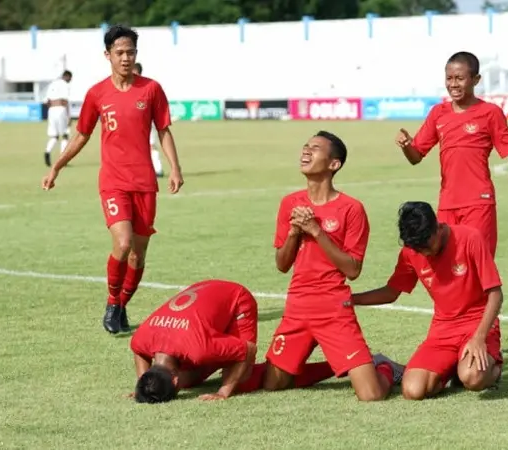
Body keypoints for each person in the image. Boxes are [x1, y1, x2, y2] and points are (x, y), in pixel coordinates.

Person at [41, 25, 185, 335]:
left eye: (130, 52)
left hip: (145, 183)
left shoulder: (151, 89)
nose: (125, 58)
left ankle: (121, 304)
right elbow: (81, 135)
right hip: (113, 182)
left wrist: (175, 168)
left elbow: (163, 130)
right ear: (107, 55)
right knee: (122, 244)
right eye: (119, 52)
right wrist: (58, 167)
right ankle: (111, 302)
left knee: (138, 254)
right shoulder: (97, 94)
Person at [264, 130, 404, 401]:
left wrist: (316, 231)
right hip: (298, 306)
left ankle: (384, 367)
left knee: (372, 395)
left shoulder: (351, 209)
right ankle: (344, 366)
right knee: (273, 384)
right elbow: (282, 265)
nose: (306, 151)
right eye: (305, 146)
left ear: (333, 164)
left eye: (315, 148)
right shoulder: (290, 203)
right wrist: (295, 232)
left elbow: (352, 269)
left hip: (333, 308)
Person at [352, 202, 504, 401]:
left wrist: (479, 338)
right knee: (413, 390)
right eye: (418, 249)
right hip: (443, 331)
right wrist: (351, 299)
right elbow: (391, 292)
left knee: (473, 378)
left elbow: (496, 293)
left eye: (427, 245)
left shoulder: (470, 238)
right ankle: (452, 370)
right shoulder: (411, 252)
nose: (424, 253)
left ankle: (495, 368)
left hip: (477, 325)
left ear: (437, 227)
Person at [394, 51, 508, 257]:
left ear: (475, 80)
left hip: (478, 202)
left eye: (460, 78)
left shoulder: (490, 113)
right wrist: (406, 146)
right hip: (447, 204)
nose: (453, 84)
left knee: (478, 264)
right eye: (449, 78)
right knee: (449, 265)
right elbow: (416, 157)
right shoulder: (438, 113)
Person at [129, 280, 259, 403]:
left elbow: (249, 349)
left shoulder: (198, 349)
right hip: (205, 290)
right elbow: (139, 350)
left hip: (237, 299)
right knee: (187, 381)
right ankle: (221, 358)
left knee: (242, 381)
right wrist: (143, 386)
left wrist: (223, 392)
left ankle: (273, 369)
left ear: (175, 380)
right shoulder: (141, 339)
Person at [132, 62, 165, 178]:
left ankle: (158, 169)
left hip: (148, 122)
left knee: (151, 145)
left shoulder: (147, 87)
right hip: (135, 124)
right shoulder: (131, 87)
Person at [43, 70, 72, 167]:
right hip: (60, 108)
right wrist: (68, 116)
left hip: (51, 110)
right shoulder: (64, 84)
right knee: (65, 135)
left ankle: (47, 152)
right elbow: (65, 101)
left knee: (54, 136)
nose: (70, 81)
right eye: (70, 78)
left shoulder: (52, 84)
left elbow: (46, 101)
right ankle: (63, 160)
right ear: (67, 76)